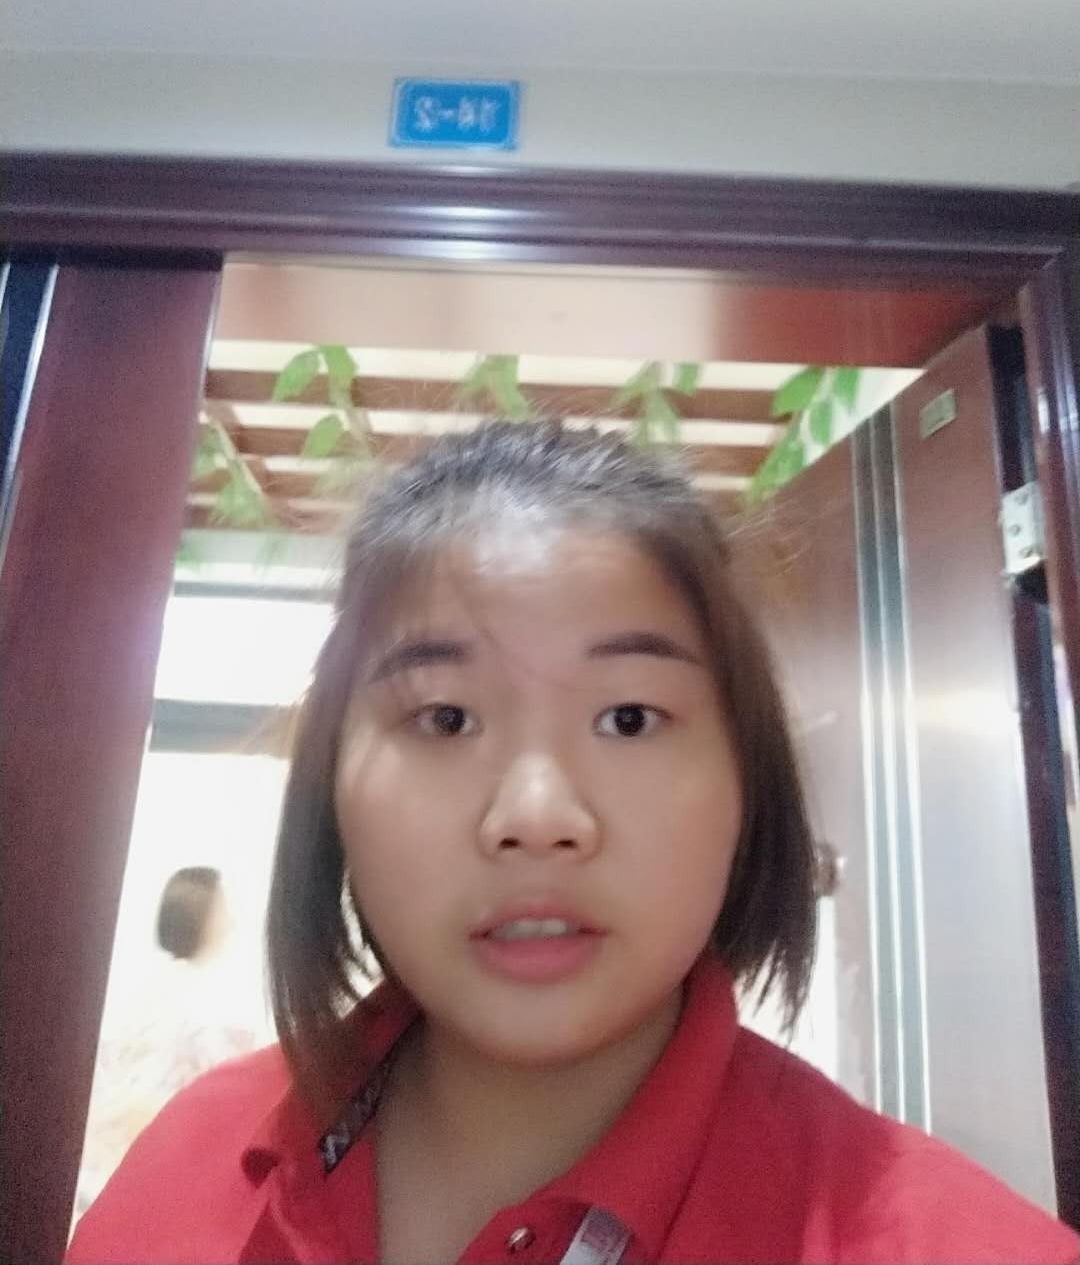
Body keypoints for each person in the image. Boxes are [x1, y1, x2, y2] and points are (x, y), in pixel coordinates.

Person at [68, 421, 1079, 1264]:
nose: (538, 813)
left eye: (629, 717)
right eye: (446, 718)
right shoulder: (188, 1164)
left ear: (747, 783)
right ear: (330, 786)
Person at [71, 867, 262, 1228]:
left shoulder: (143, 990)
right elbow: (227, 1091)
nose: (232, 922)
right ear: (203, 917)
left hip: (108, 1168)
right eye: (223, 910)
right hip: (153, 1165)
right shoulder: (205, 1004)